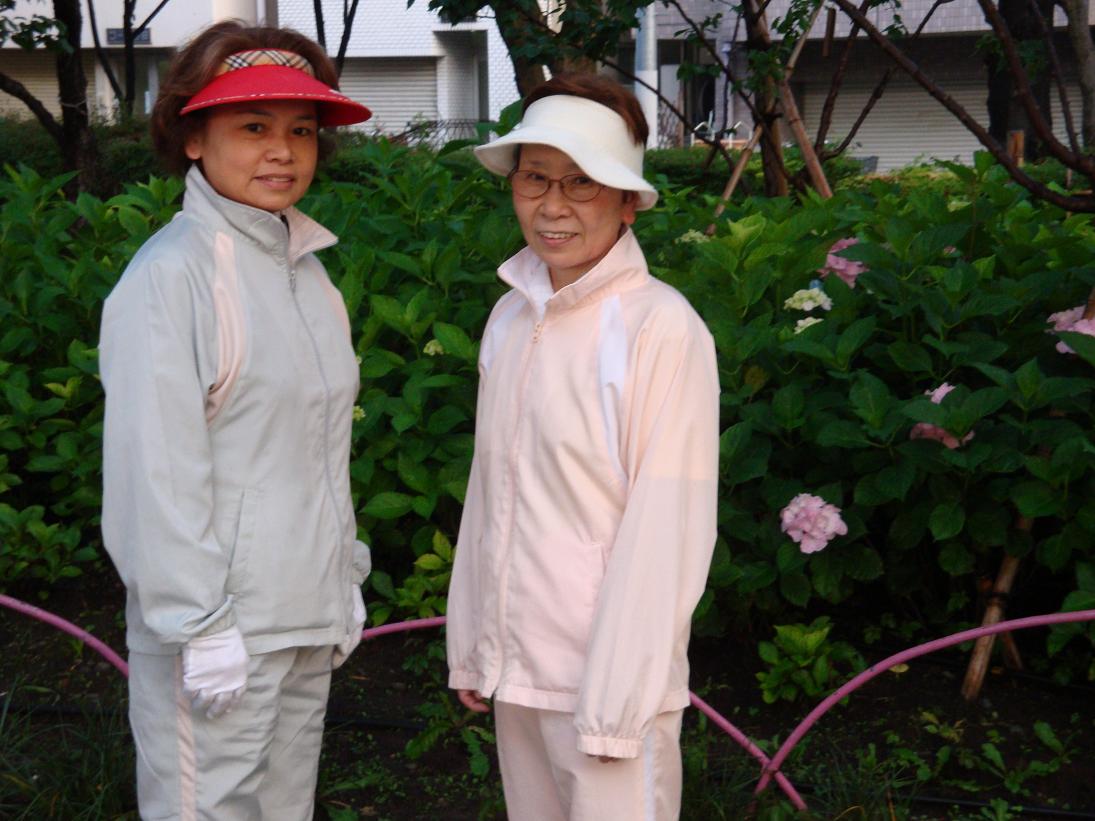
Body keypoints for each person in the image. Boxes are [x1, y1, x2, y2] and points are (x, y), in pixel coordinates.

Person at [99, 21, 373, 820]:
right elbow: (156, 473)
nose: (282, 151)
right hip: (219, 633)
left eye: (301, 130)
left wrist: (343, 577)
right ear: (192, 138)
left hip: (304, 615)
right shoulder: (171, 278)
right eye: (253, 127)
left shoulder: (309, 274)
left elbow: (317, 450)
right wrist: (198, 624)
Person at [446, 74, 721, 820]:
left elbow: (667, 528)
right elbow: (490, 490)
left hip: (607, 685)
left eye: (582, 182)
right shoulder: (510, 317)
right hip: (517, 669)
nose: (553, 205)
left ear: (627, 200)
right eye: (535, 178)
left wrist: (616, 701)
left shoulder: (659, 327)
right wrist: (474, 643)